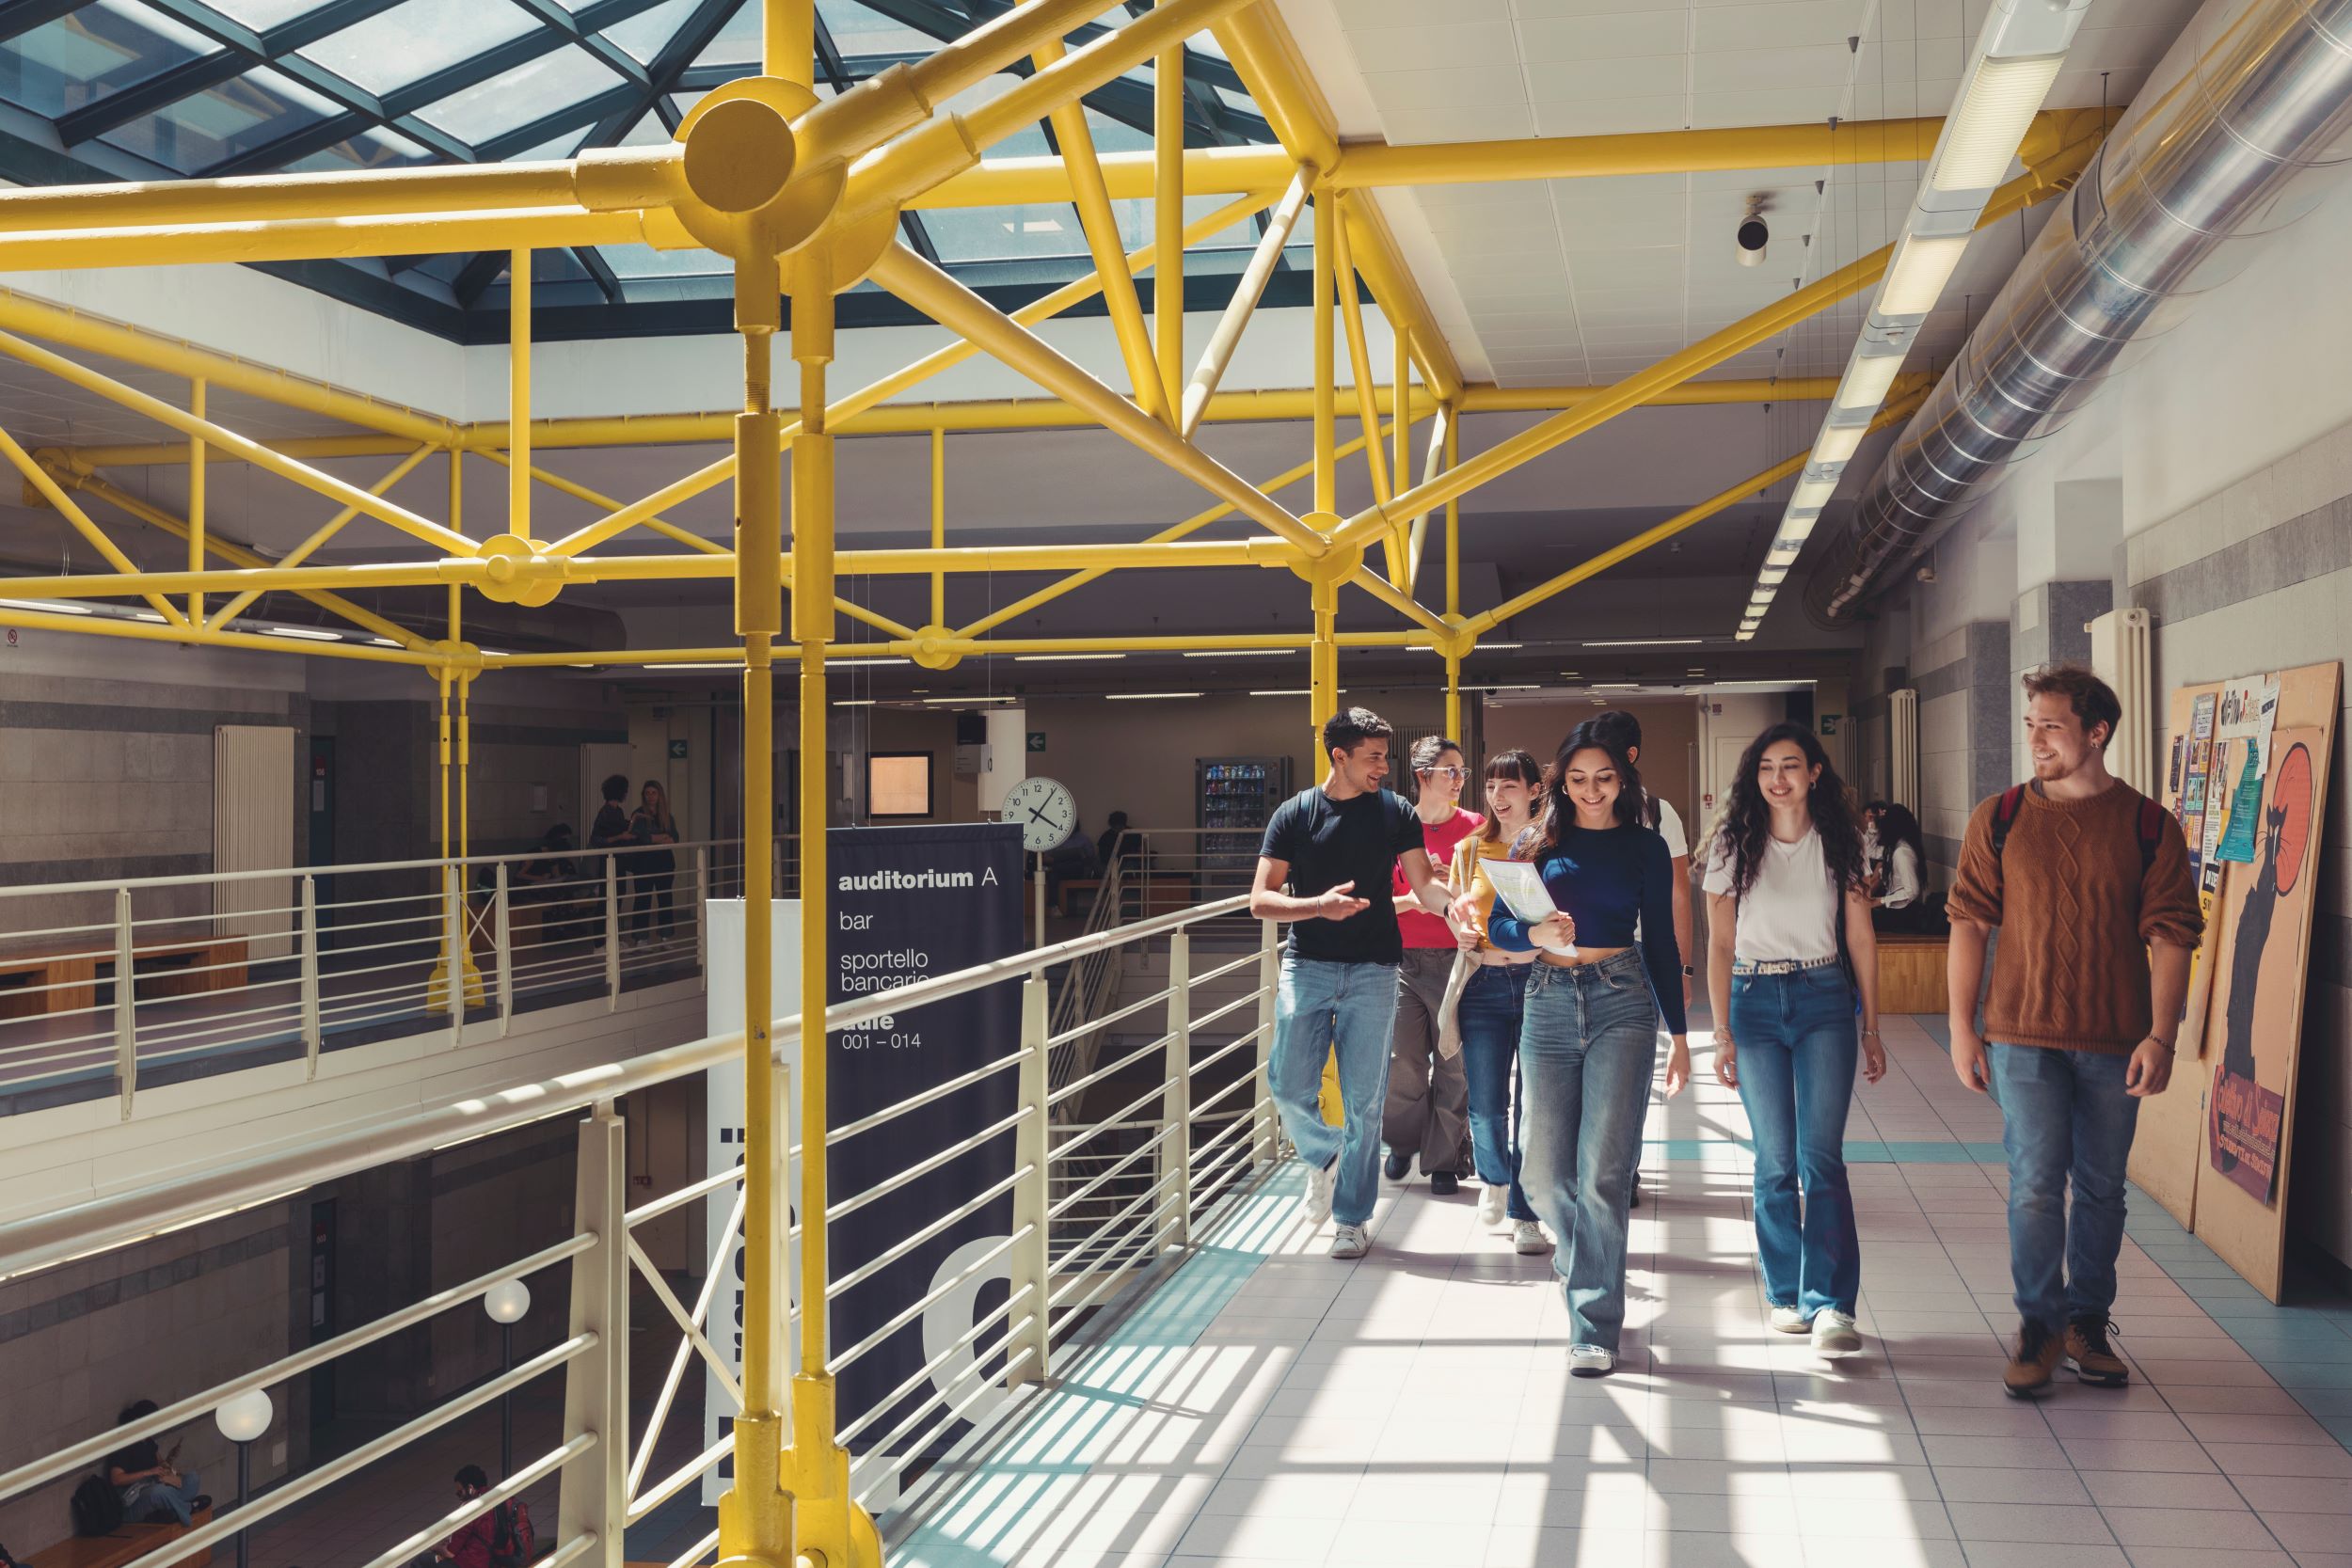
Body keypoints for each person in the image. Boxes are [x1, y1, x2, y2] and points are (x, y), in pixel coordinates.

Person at [1946, 664, 2201, 1399]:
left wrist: (2162, 1035)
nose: (2036, 738)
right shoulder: (1998, 816)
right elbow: (1968, 923)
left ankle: (2088, 1320)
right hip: (2022, 1035)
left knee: (2100, 1187)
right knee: (2032, 1184)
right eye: (2031, 723)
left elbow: (2173, 936)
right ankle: (2038, 1324)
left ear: (2097, 732)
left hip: (2116, 1039)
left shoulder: (2150, 824)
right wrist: (1963, 1028)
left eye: (2051, 725)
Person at [1484, 721, 1691, 1376]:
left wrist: (1681, 1035)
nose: (1591, 790)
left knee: (1605, 1171)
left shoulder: (1646, 847)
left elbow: (1660, 940)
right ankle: (1589, 1265)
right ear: (1559, 783)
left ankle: (1594, 1323)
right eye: (1577, 779)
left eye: (1604, 778)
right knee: (1542, 1173)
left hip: (1621, 998)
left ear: (1623, 779)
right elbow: (1498, 924)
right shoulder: (1535, 842)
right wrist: (1532, 925)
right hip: (1546, 996)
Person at [1252, 707, 1460, 1261]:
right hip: (1308, 965)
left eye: (1385, 756)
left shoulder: (1394, 813)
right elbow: (1260, 901)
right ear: (1338, 756)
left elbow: (1423, 884)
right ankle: (1327, 1156)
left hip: (1375, 970)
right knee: (1288, 1085)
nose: (1383, 768)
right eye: (1372, 757)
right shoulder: (1294, 815)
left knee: (1365, 1102)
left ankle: (1351, 1219)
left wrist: (1452, 911)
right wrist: (1317, 906)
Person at [1704, 722, 1884, 1359]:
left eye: (1791, 765)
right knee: (1774, 1159)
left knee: (1821, 1157)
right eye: (1766, 768)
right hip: (1753, 1003)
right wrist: (1719, 1031)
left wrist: (1872, 1025)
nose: (1778, 778)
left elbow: (1861, 936)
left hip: (1824, 998)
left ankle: (1832, 1303)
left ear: (1814, 773)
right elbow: (1721, 944)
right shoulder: (1732, 842)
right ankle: (1785, 1293)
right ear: (1754, 778)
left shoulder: (1843, 839)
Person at [1588, 710, 1695, 1208]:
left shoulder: (1657, 811)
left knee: (1631, 1076)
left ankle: (1623, 1169)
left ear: (1630, 757)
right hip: (1579, 955)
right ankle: (1589, 1167)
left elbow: (1678, 894)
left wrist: (1682, 968)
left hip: (1637, 957)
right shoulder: (1570, 806)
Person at [1448, 748, 1549, 1252]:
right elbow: (1456, 909)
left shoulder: (1551, 847)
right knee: (1487, 1105)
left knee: (1535, 1107)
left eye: (1509, 786)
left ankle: (1525, 1213)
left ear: (1535, 791)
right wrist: (1462, 930)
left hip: (1541, 983)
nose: (1496, 796)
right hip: (1484, 985)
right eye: (1490, 786)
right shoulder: (1470, 850)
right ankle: (1493, 1177)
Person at [1380, 736, 1482, 1195]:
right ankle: (1402, 1142)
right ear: (1423, 776)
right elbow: (1377, 901)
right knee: (1403, 1062)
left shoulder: (1476, 828)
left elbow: (1485, 896)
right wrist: (1420, 897)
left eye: (1462, 771)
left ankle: (1445, 1158)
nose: (1459, 779)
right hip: (1399, 959)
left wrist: (1452, 889)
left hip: (1458, 960)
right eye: (1450, 771)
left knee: (1453, 1063)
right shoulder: (1396, 827)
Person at [105, 1402, 205, 1527]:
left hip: (155, 1487)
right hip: (133, 1502)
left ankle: (173, 1510)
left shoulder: (148, 1442)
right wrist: (148, 1472)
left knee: (192, 1478)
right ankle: (188, 1509)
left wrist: (171, 1458)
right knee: (160, 1492)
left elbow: (162, 1465)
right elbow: (116, 1479)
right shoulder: (123, 1445)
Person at [627, 780, 680, 947]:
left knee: (665, 899)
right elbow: (642, 837)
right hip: (644, 863)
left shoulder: (666, 815)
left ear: (659, 795)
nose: (650, 796)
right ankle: (641, 937)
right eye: (647, 793)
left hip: (664, 863)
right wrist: (660, 838)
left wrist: (658, 838)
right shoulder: (638, 814)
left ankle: (666, 936)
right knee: (643, 899)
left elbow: (675, 837)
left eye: (654, 793)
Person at [1869, 802, 1928, 933]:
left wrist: (1881, 901)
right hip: (1897, 911)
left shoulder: (1902, 852)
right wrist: (1873, 829)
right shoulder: (1895, 847)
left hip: (1902, 916)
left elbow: (1912, 890)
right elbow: (1870, 851)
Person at [434, 1465, 498, 1568]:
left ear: (470, 1488)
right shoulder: (496, 1496)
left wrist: (434, 1547)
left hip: (475, 1562)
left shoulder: (470, 1510)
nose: (460, 1498)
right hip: (496, 1559)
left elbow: (450, 1553)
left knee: (422, 1561)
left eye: (460, 1493)